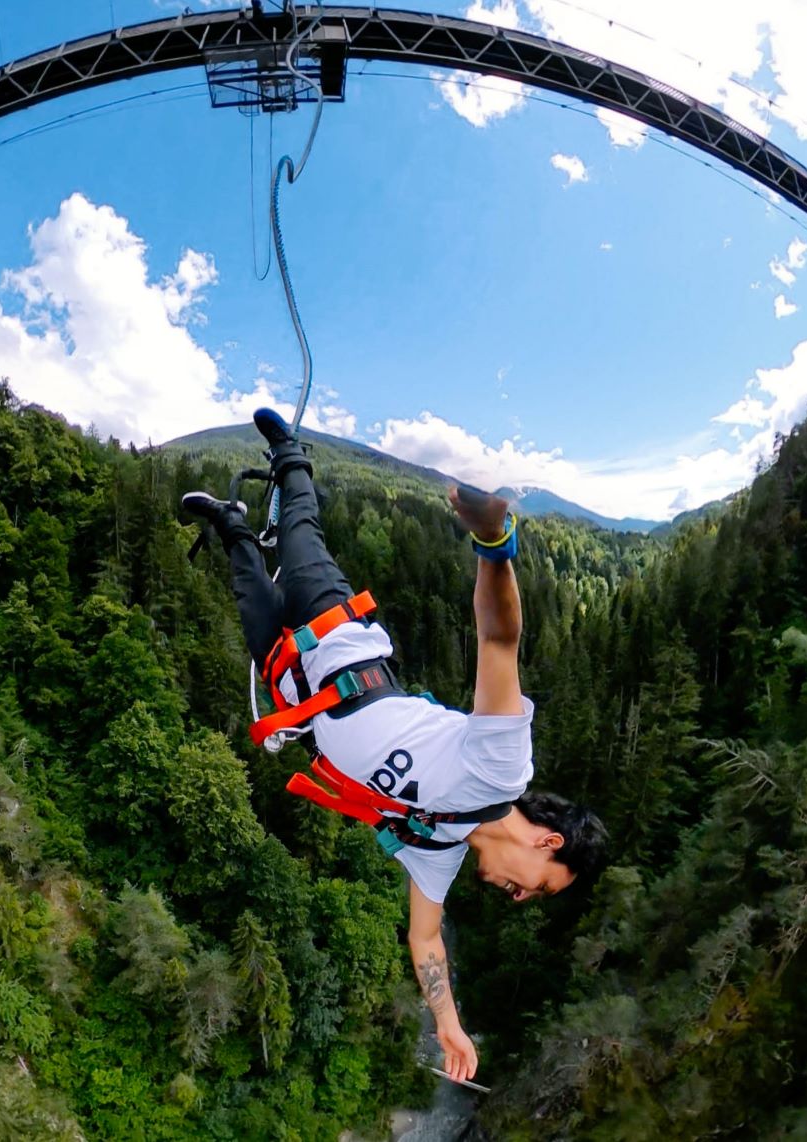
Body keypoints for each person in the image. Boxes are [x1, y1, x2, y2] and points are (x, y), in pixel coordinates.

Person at [180, 408, 608, 1084]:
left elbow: (426, 940)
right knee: (299, 536)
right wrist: (495, 548)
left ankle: (231, 523)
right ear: (547, 843)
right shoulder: (499, 771)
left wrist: (448, 1023)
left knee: (251, 599)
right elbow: (500, 642)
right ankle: (291, 457)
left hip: (300, 690)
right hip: (343, 647)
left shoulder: (438, 850)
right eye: (538, 890)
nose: (518, 898)